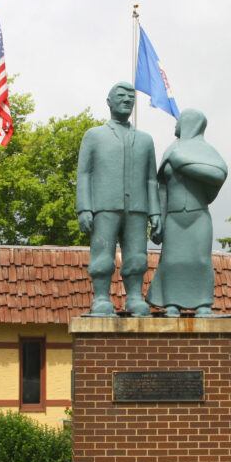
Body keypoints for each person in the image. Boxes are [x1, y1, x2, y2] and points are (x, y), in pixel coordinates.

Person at [76, 82, 159, 317]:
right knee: (102, 254)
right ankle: (101, 297)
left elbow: (151, 180)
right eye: (121, 96)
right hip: (105, 206)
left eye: (131, 97)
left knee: (137, 256)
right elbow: (84, 174)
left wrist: (155, 213)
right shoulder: (94, 136)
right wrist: (84, 208)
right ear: (109, 102)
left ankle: (134, 297)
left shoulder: (145, 140)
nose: (127, 100)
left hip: (137, 208)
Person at [146, 108, 227, 317]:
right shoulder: (170, 149)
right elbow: (162, 188)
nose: (175, 127)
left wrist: (184, 164)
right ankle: (171, 303)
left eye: (179, 122)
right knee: (172, 260)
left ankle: (202, 304)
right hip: (173, 216)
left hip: (198, 215)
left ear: (191, 123)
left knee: (200, 260)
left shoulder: (207, 151)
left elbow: (219, 173)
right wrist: (159, 220)